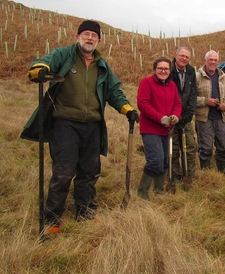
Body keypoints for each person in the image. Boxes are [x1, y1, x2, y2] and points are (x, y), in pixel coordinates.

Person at [21, 20, 139, 232]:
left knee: (89, 172)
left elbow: (114, 91)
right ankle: (52, 218)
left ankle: (85, 212)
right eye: (86, 34)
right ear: (78, 37)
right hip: (65, 124)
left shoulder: (102, 65)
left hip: (93, 126)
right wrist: (39, 69)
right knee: (64, 171)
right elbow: (43, 62)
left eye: (94, 36)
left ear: (99, 40)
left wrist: (127, 109)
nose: (90, 38)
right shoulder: (64, 55)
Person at [137, 57, 182, 200]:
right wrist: (159, 117)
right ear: (155, 69)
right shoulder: (147, 82)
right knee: (155, 159)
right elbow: (143, 104)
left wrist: (175, 115)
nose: (163, 71)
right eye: (160, 68)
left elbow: (177, 103)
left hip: (167, 130)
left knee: (165, 161)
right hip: (150, 129)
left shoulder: (172, 86)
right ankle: (143, 191)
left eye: (166, 69)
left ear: (170, 70)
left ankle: (159, 190)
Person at [195, 50, 225, 175]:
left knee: (224, 146)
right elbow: (191, 98)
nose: (213, 62)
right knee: (205, 148)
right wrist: (206, 101)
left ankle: (224, 173)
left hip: (220, 117)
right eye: (210, 60)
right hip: (204, 118)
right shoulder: (197, 76)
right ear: (205, 61)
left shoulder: (222, 76)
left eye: (215, 60)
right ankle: (206, 174)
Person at [169, 47, 197, 188]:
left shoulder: (191, 72)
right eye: (182, 55)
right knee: (173, 148)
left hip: (186, 117)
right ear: (176, 56)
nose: (184, 58)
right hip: (171, 117)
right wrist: (172, 116)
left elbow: (193, 95)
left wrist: (187, 116)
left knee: (190, 146)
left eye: (187, 57)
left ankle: (189, 175)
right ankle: (175, 176)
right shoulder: (168, 69)